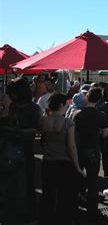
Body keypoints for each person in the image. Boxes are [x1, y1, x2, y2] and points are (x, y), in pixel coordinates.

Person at [38, 93, 85, 225]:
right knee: (64, 196)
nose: (67, 106)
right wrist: (77, 167)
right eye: (66, 104)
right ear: (61, 105)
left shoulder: (43, 120)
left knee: (48, 193)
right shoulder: (68, 123)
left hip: (47, 161)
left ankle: (45, 219)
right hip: (63, 162)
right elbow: (72, 147)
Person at [5, 78, 41, 223]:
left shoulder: (33, 108)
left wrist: (16, 132)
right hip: (9, 150)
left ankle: (29, 215)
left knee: (27, 183)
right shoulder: (12, 106)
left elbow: (36, 130)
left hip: (25, 151)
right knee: (11, 185)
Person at [74, 87, 108, 221]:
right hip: (94, 149)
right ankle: (92, 210)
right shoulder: (101, 115)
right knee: (93, 181)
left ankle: (75, 204)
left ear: (86, 97)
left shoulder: (78, 114)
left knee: (77, 177)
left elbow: (73, 133)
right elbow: (105, 134)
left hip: (79, 148)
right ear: (99, 100)